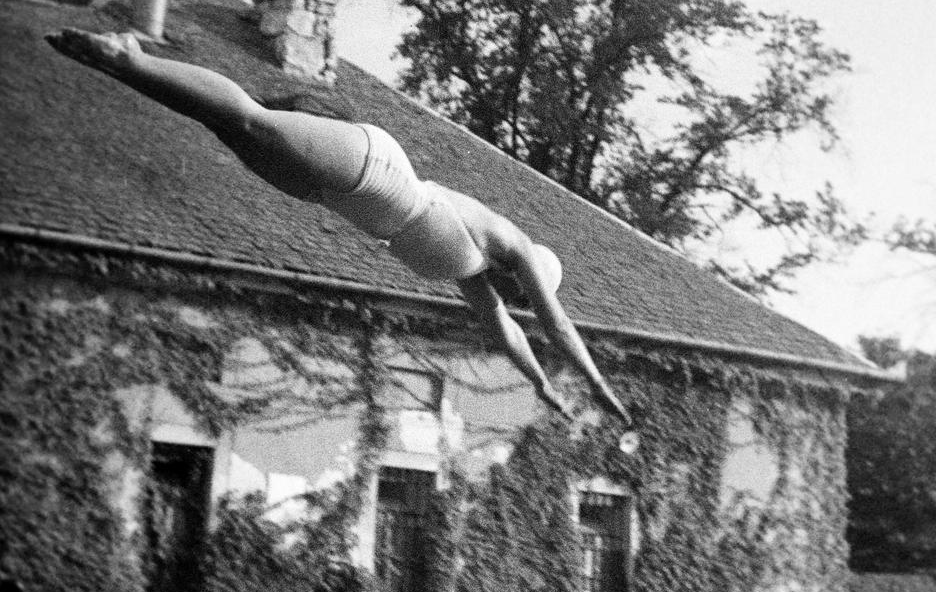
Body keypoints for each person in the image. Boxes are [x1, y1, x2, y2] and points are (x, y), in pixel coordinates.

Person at [47, 29, 632, 429]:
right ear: (528, 278)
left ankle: (116, 67)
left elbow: (511, 338)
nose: (517, 302)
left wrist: (541, 385)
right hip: (377, 169)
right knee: (250, 119)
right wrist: (598, 386)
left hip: (334, 198)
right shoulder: (510, 243)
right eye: (525, 295)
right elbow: (557, 326)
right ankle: (130, 55)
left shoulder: (476, 281)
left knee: (225, 128)